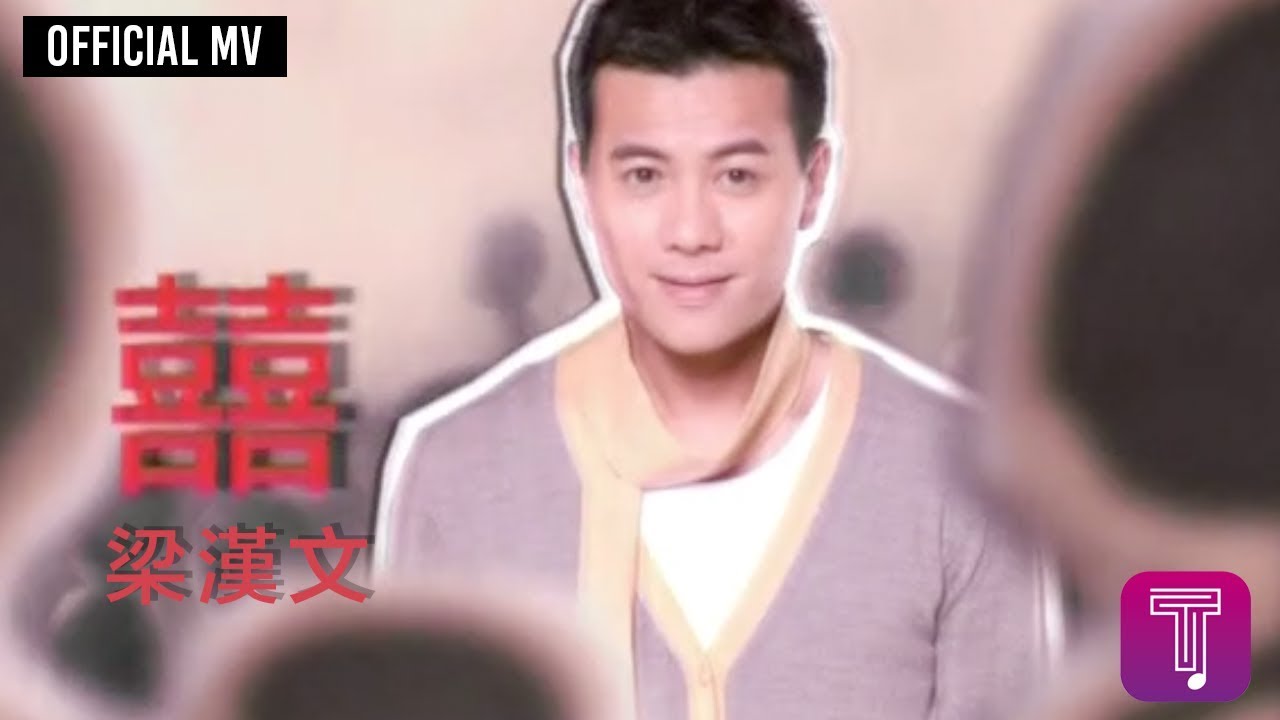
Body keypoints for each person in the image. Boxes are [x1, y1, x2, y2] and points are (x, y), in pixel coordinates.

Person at [375, 0, 1048, 717]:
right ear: (581, 182)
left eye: (736, 177)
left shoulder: (964, 477)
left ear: (815, 182)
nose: (691, 231)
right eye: (644, 176)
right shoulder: (458, 473)